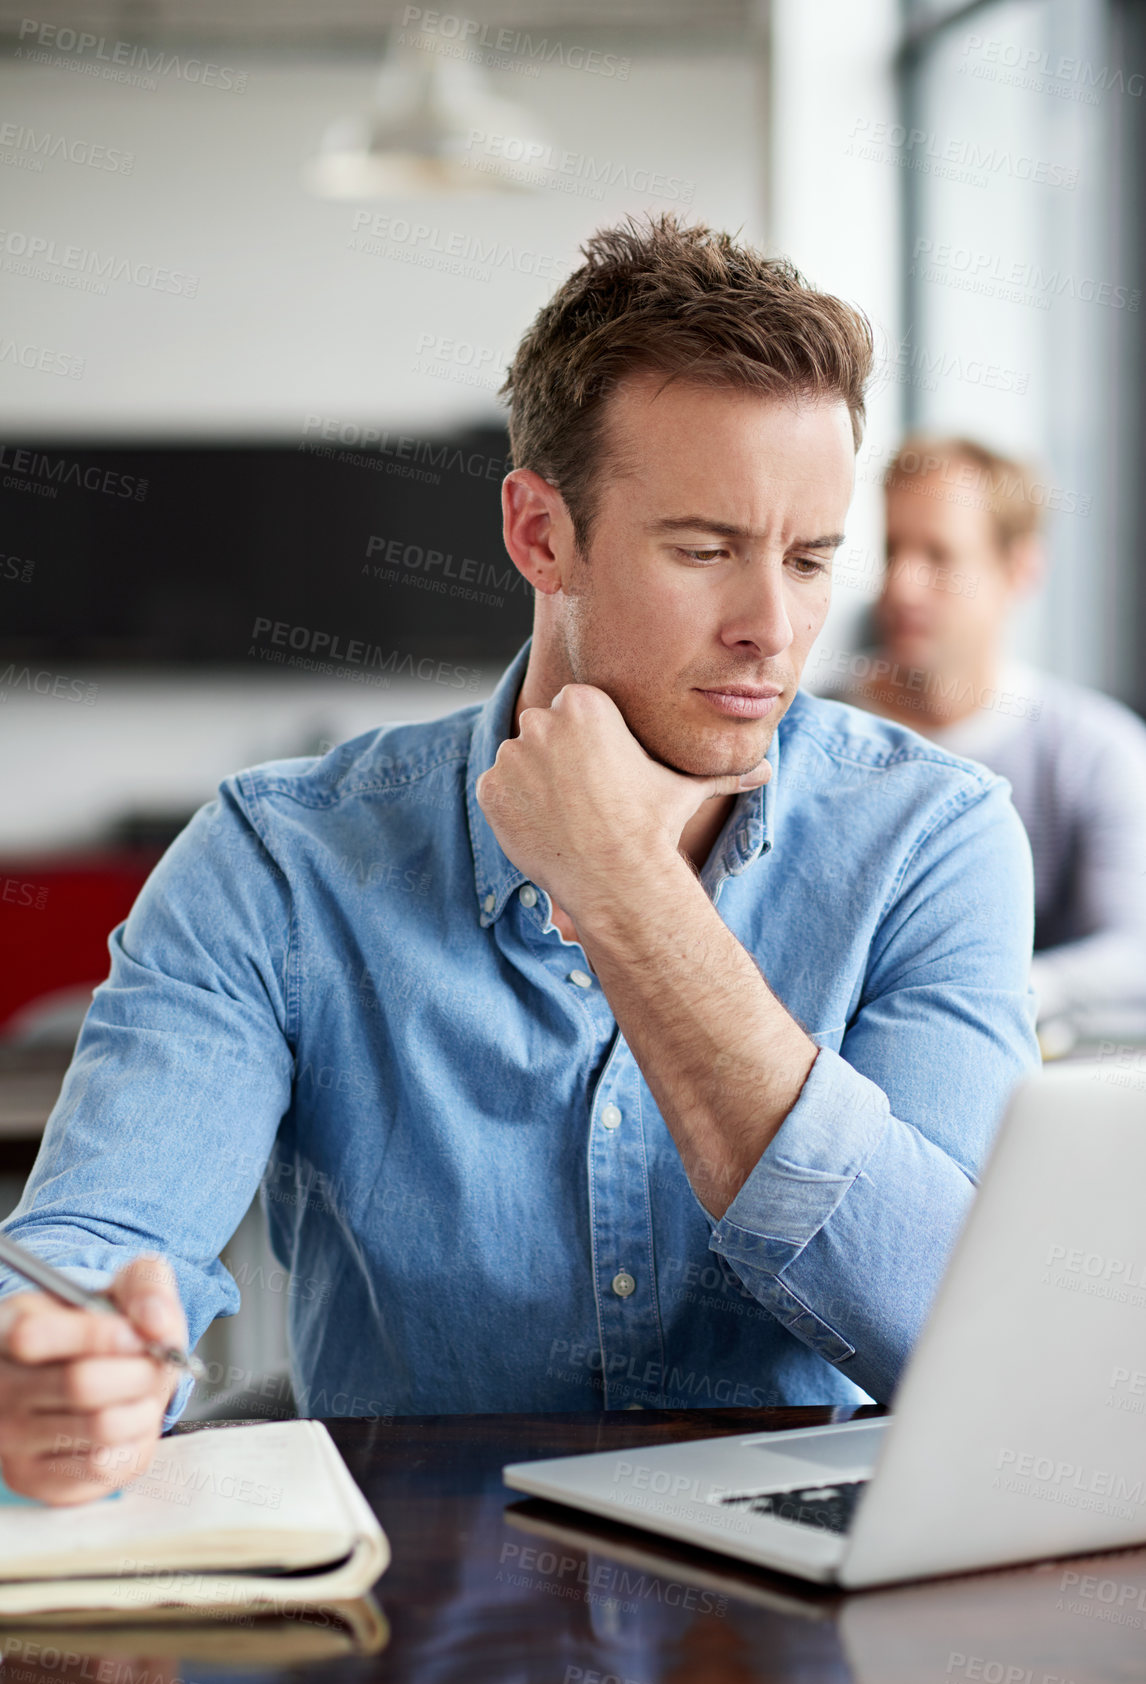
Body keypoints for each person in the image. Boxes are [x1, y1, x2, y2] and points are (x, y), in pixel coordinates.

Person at [0, 216, 1039, 1505]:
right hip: (409, 1635)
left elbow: (966, 1339)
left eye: (813, 560)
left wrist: (627, 894)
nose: (773, 628)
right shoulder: (281, 860)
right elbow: (96, 1249)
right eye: (705, 550)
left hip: (798, 1653)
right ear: (540, 534)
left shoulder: (933, 841)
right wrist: (60, 1373)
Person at [820, 435, 1146, 1042]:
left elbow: (1134, 953)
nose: (901, 586)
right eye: (895, 550)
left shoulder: (1097, 752)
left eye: (939, 557)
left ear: (1019, 569)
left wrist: (985, 993)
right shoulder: (814, 731)